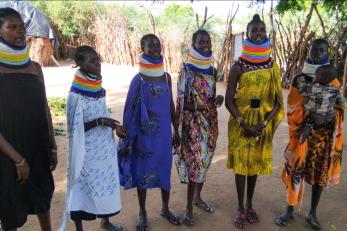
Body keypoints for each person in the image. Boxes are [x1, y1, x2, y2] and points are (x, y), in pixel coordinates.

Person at [275, 39, 344, 230]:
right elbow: (293, 108)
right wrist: (307, 124)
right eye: (315, 50)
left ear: (328, 53)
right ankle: (289, 210)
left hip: (324, 136)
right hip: (302, 134)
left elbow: (339, 105)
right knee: (295, 170)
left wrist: (332, 115)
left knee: (320, 174)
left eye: (322, 50)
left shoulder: (334, 79)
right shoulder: (299, 79)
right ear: (308, 51)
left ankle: (313, 212)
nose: (318, 54)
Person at [0, 7, 57, 231]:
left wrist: (52, 146)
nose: (20, 31)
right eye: (12, 27)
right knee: (11, 209)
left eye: (22, 26)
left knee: (42, 199)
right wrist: (17, 159)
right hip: (7, 152)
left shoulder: (35, 68)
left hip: (38, 146)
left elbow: (44, 108)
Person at [58, 46, 127, 231]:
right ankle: (79, 228)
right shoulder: (74, 95)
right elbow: (74, 130)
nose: (98, 64)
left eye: (98, 59)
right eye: (92, 61)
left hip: (104, 146)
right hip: (85, 151)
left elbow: (102, 112)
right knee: (81, 187)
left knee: (105, 183)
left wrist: (115, 126)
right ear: (79, 64)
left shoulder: (99, 88)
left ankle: (106, 221)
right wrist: (101, 121)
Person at [225, 14, 284, 229]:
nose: (258, 34)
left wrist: (264, 124)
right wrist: (244, 124)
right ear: (247, 34)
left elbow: (278, 100)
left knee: (255, 165)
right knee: (242, 166)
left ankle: (250, 204)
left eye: (262, 30)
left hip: (261, 124)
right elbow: (229, 100)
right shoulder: (238, 66)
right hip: (241, 124)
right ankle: (240, 207)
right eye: (254, 30)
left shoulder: (272, 65)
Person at [117, 34, 181, 231]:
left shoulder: (166, 76)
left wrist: (175, 130)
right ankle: (142, 212)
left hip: (162, 135)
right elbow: (129, 108)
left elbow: (170, 104)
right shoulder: (139, 79)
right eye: (150, 46)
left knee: (163, 170)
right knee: (143, 171)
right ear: (142, 50)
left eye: (157, 45)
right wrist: (127, 133)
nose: (155, 49)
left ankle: (165, 208)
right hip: (144, 135)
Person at [175, 29, 224, 226]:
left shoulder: (213, 70)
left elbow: (212, 95)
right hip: (192, 124)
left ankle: (197, 198)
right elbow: (180, 103)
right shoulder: (186, 70)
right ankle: (188, 208)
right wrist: (200, 107)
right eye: (201, 42)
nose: (206, 45)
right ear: (193, 44)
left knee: (204, 161)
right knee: (195, 163)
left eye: (208, 42)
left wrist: (218, 98)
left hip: (210, 123)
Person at [299, 64, 345, 144]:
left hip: (316, 115)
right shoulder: (336, 90)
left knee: (312, 122)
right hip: (330, 116)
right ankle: (331, 135)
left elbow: (301, 90)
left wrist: (302, 79)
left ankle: (308, 128)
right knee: (327, 121)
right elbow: (342, 102)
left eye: (316, 76)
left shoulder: (313, 88)